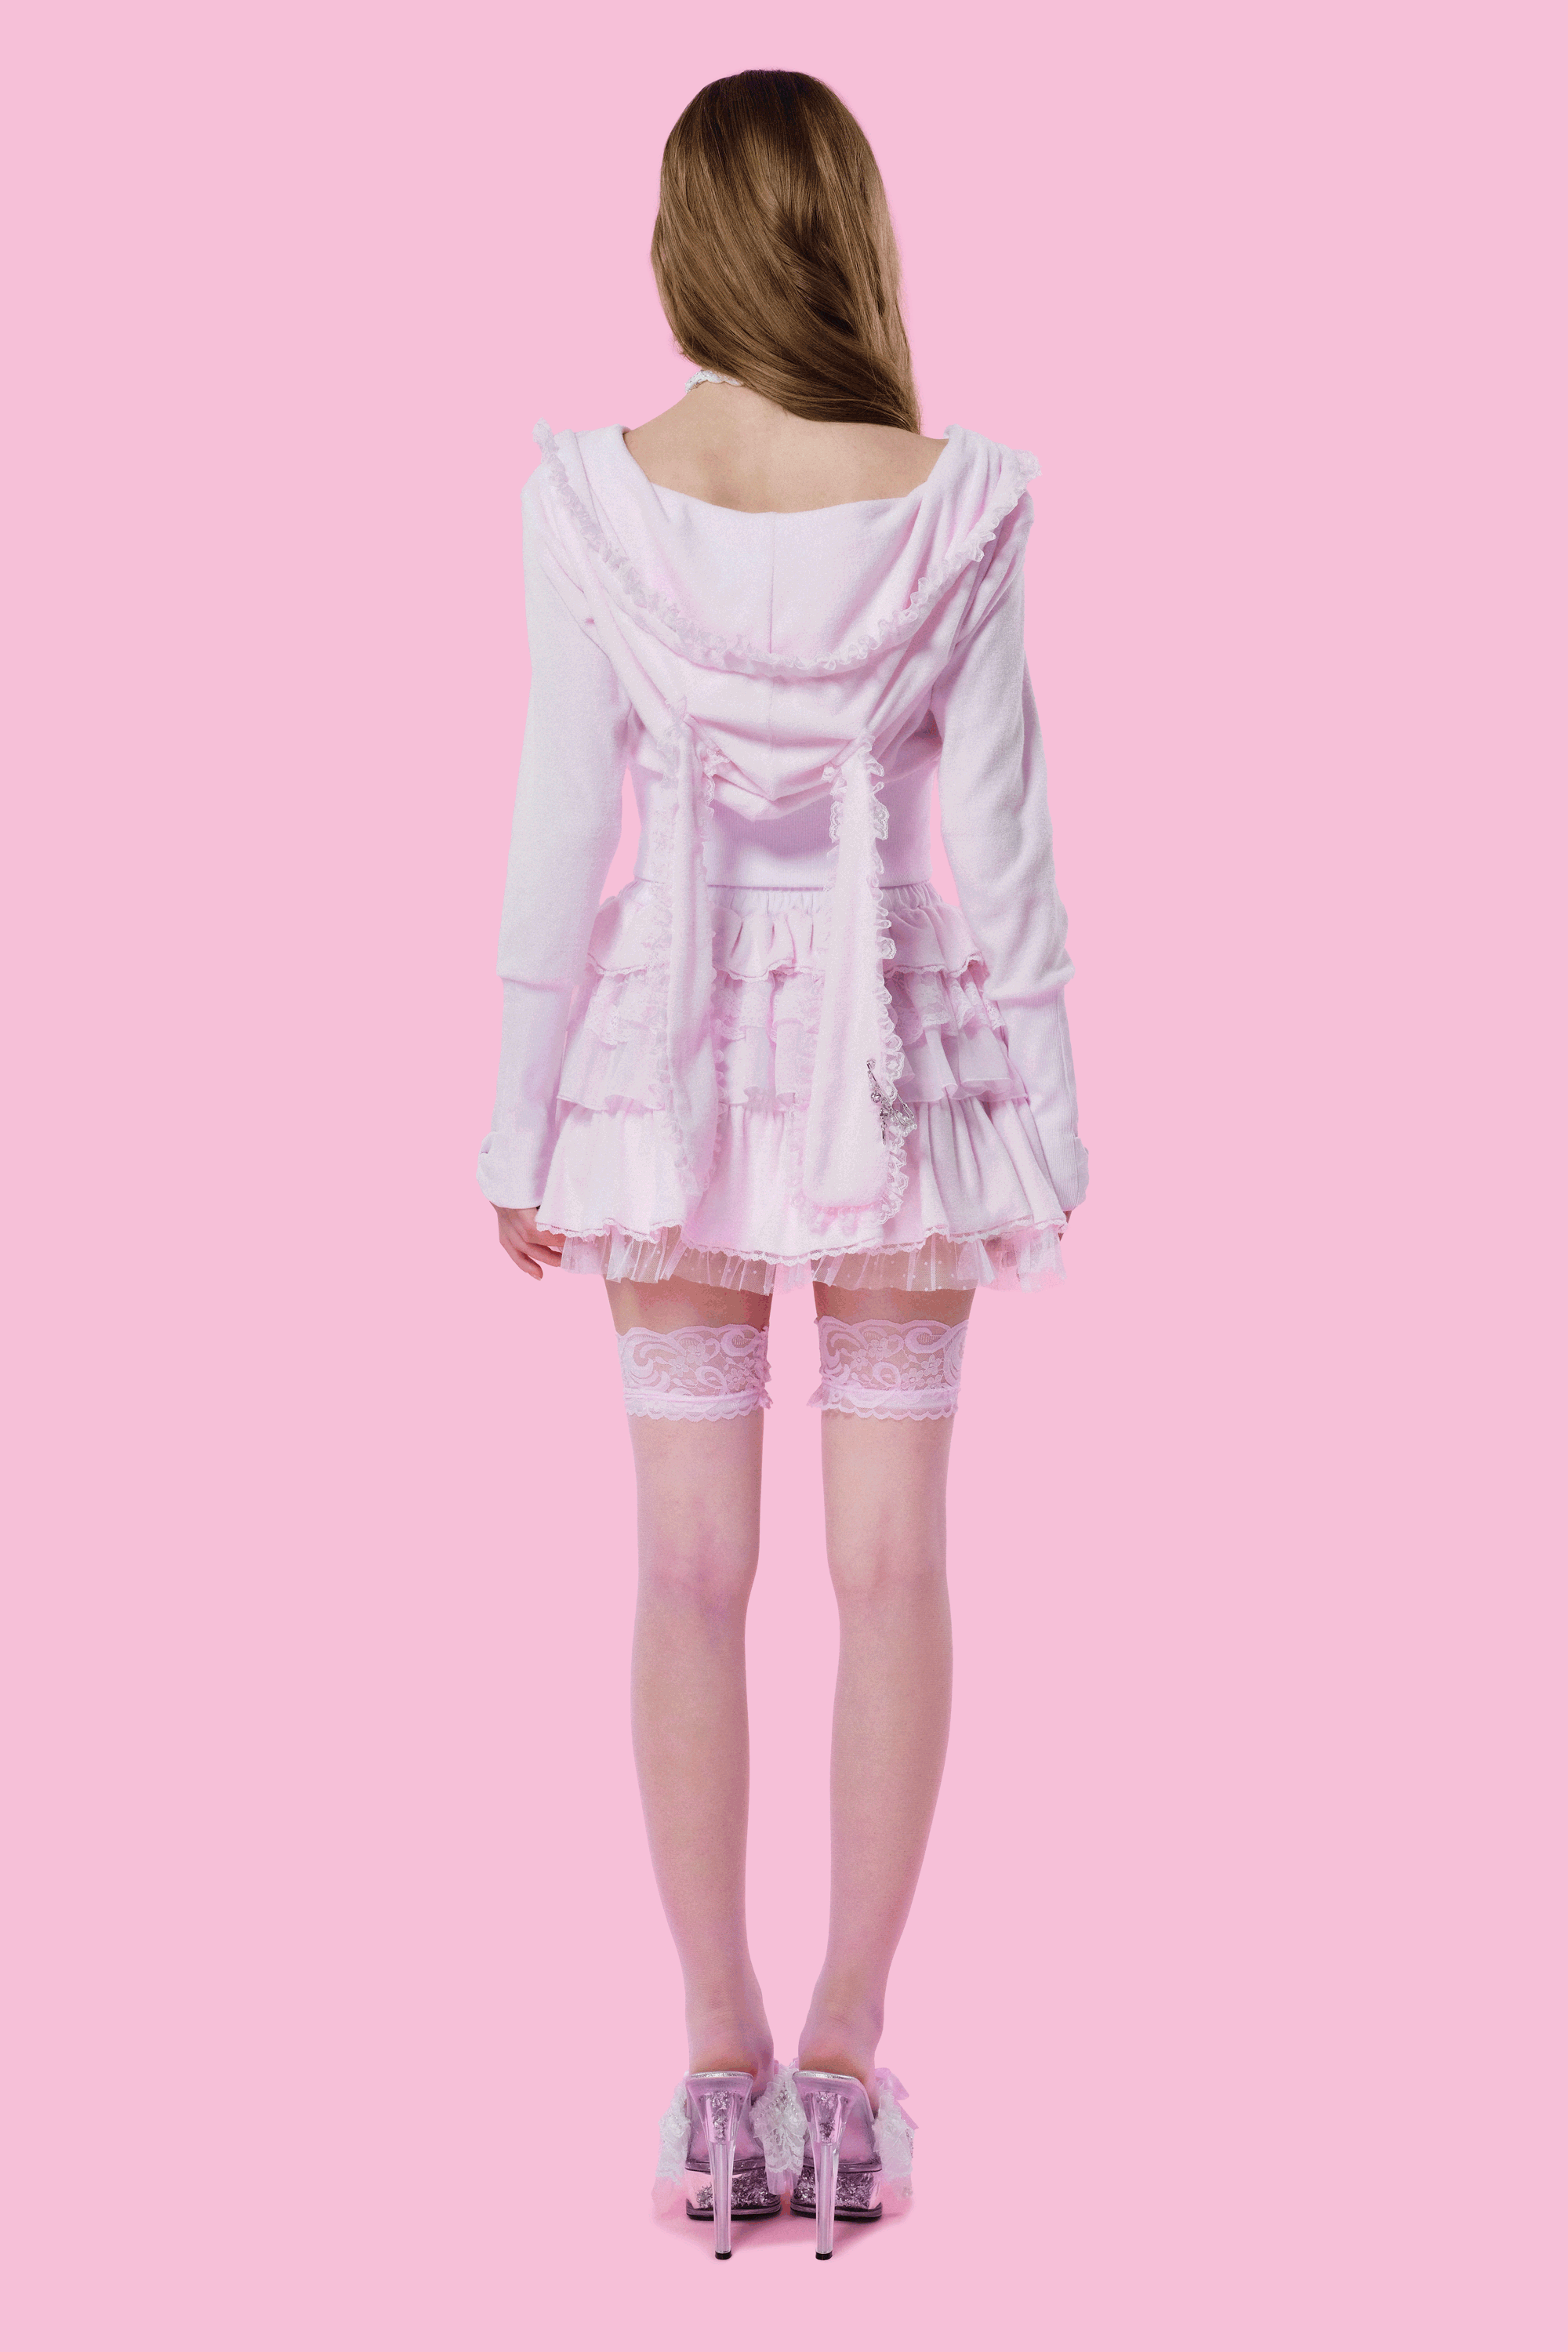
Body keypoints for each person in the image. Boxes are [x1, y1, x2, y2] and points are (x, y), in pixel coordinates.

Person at [477, 69, 1088, 2259]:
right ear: (850, 233)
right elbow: (1000, 836)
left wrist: (518, 1117)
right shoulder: (955, 502)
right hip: (896, 1066)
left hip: (670, 1061)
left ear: (686, 243)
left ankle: (713, 2067)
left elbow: (565, 820)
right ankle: (844, 2066)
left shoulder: (594, 499)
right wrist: (1049, 1107)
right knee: (896, 1568)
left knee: (685, 1572)